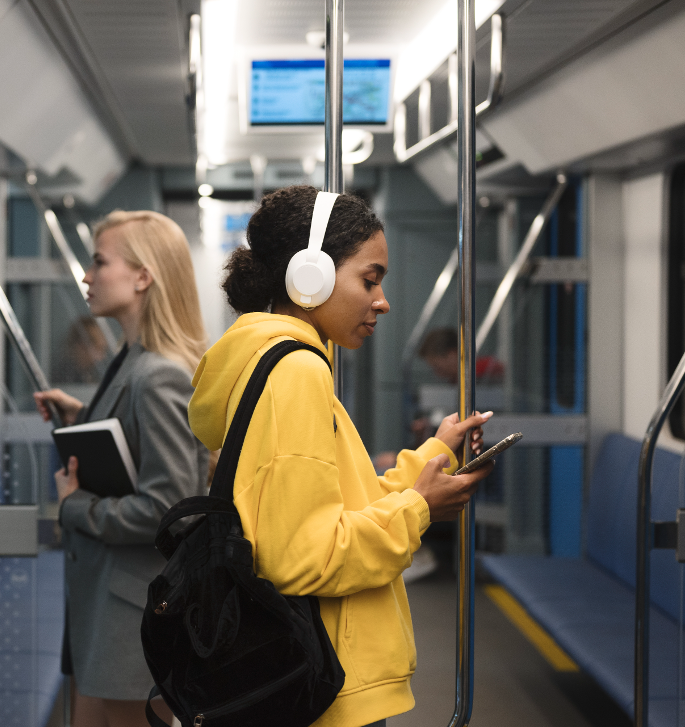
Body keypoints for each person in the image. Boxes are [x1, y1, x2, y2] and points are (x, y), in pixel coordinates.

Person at [188, 186, 493, 727]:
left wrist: (431, 457)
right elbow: (305, 557)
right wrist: (419, 510)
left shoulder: (270, 360)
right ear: (311, 276)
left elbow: (335, 507)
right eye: (369, 279)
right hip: (325, 680)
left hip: (314, 671)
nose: (382, 300)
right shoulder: (296, 372)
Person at [34, 210, 209, 727]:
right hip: (107, 604)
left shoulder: (157, 377)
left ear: (142, 276)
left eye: (98, 262)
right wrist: (85, 420)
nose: (86, 276)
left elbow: (167, 512)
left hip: (131, 613)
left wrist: (75, 507)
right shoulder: (132, 361)